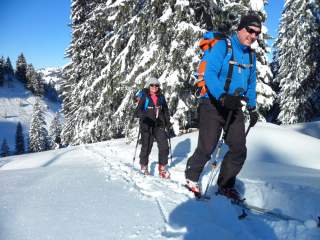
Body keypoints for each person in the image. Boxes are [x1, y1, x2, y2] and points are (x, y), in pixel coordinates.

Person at [185, 13, 261, 200]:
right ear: (240, 28)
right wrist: (222, 96)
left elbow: (251, 83)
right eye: (250, 30)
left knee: (238, 149)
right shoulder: (223, 46)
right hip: (212, 103)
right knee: (207, 146)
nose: (252, 36)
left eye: (257, 33)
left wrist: (252, 107)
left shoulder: (251, 56)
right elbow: (210, 74)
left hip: (234, 106)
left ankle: (225, 185)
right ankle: (191, 176)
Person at [135, 77, 171, 178]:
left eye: (157, 85)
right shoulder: (144, 96)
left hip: (158, 124)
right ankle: (144, 166)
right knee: (147, 146)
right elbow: (137, 111)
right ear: (149, 86)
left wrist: (167, 122)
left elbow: (165, 110)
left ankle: (162, 168)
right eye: (152, 85)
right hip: (147, 125)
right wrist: (143, 116)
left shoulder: (161, 97)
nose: (154, 87)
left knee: (164, 146)